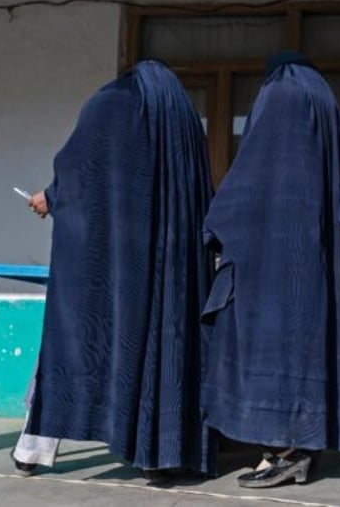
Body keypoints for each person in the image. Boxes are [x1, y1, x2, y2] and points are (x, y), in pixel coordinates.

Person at [15, 60, 216, 480]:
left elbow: (78, 169)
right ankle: (159, 455)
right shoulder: (182, 118)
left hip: (107, 266)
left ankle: (32, 447)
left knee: (74, 338)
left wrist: (51, 197)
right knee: (162, 347)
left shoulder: (109, 104)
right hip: (168, 266)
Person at [199, 52, 340, 488]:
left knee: (267, 349)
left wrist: (215, 224)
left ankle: (283, 451)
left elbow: (251, 177)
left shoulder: (281, 92)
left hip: (270, 262)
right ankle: (301, 446)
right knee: (305, 346)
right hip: (313, 261)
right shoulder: (321, 99)